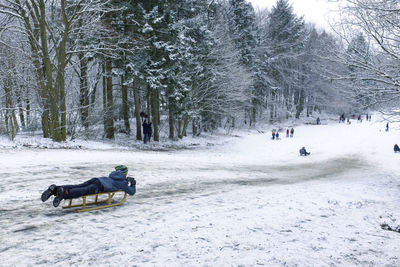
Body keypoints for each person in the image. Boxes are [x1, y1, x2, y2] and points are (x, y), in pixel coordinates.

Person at [41, 165, 136, 207]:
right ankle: (65, 193)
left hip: (97, 179)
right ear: (125, 173)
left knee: (78, 186)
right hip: (100, 187)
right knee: (83, 191)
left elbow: (115, 180)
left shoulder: (112, 175)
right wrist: (133, 184)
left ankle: (56, 189)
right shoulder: (123, 182)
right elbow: (131, 192)